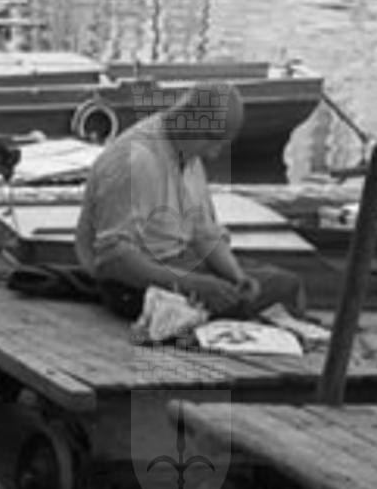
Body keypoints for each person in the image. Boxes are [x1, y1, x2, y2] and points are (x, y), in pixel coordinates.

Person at [75, 81, 306, 319]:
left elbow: (203, 234)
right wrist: (192, 284)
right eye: (213, 143)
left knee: (282, 284)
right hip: (132, 287)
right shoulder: (134, 161)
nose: (213, 154)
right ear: (194, 124)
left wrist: (236, 275)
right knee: (259, 297)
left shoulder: (187, 150)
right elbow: (113, 260)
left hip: (180, 264)